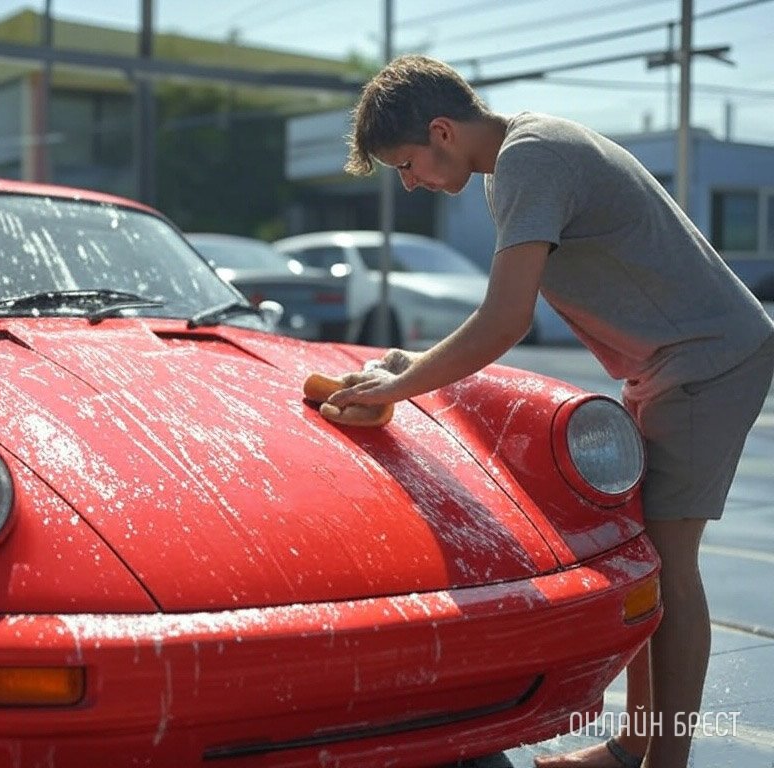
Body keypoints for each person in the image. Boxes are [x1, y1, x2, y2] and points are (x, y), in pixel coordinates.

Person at [327, 54, 774, 768]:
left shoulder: (528, 160)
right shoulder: (516, 159)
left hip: (705, 361)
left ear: (442, 131)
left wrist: (396, 389)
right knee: (643, 556)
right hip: (669, 361)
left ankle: (665, 761)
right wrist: (408, 370)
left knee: (667, 565)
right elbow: (502, 316)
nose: (409, 183)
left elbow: (506, 319)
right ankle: (633, 748)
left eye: (406, 165)